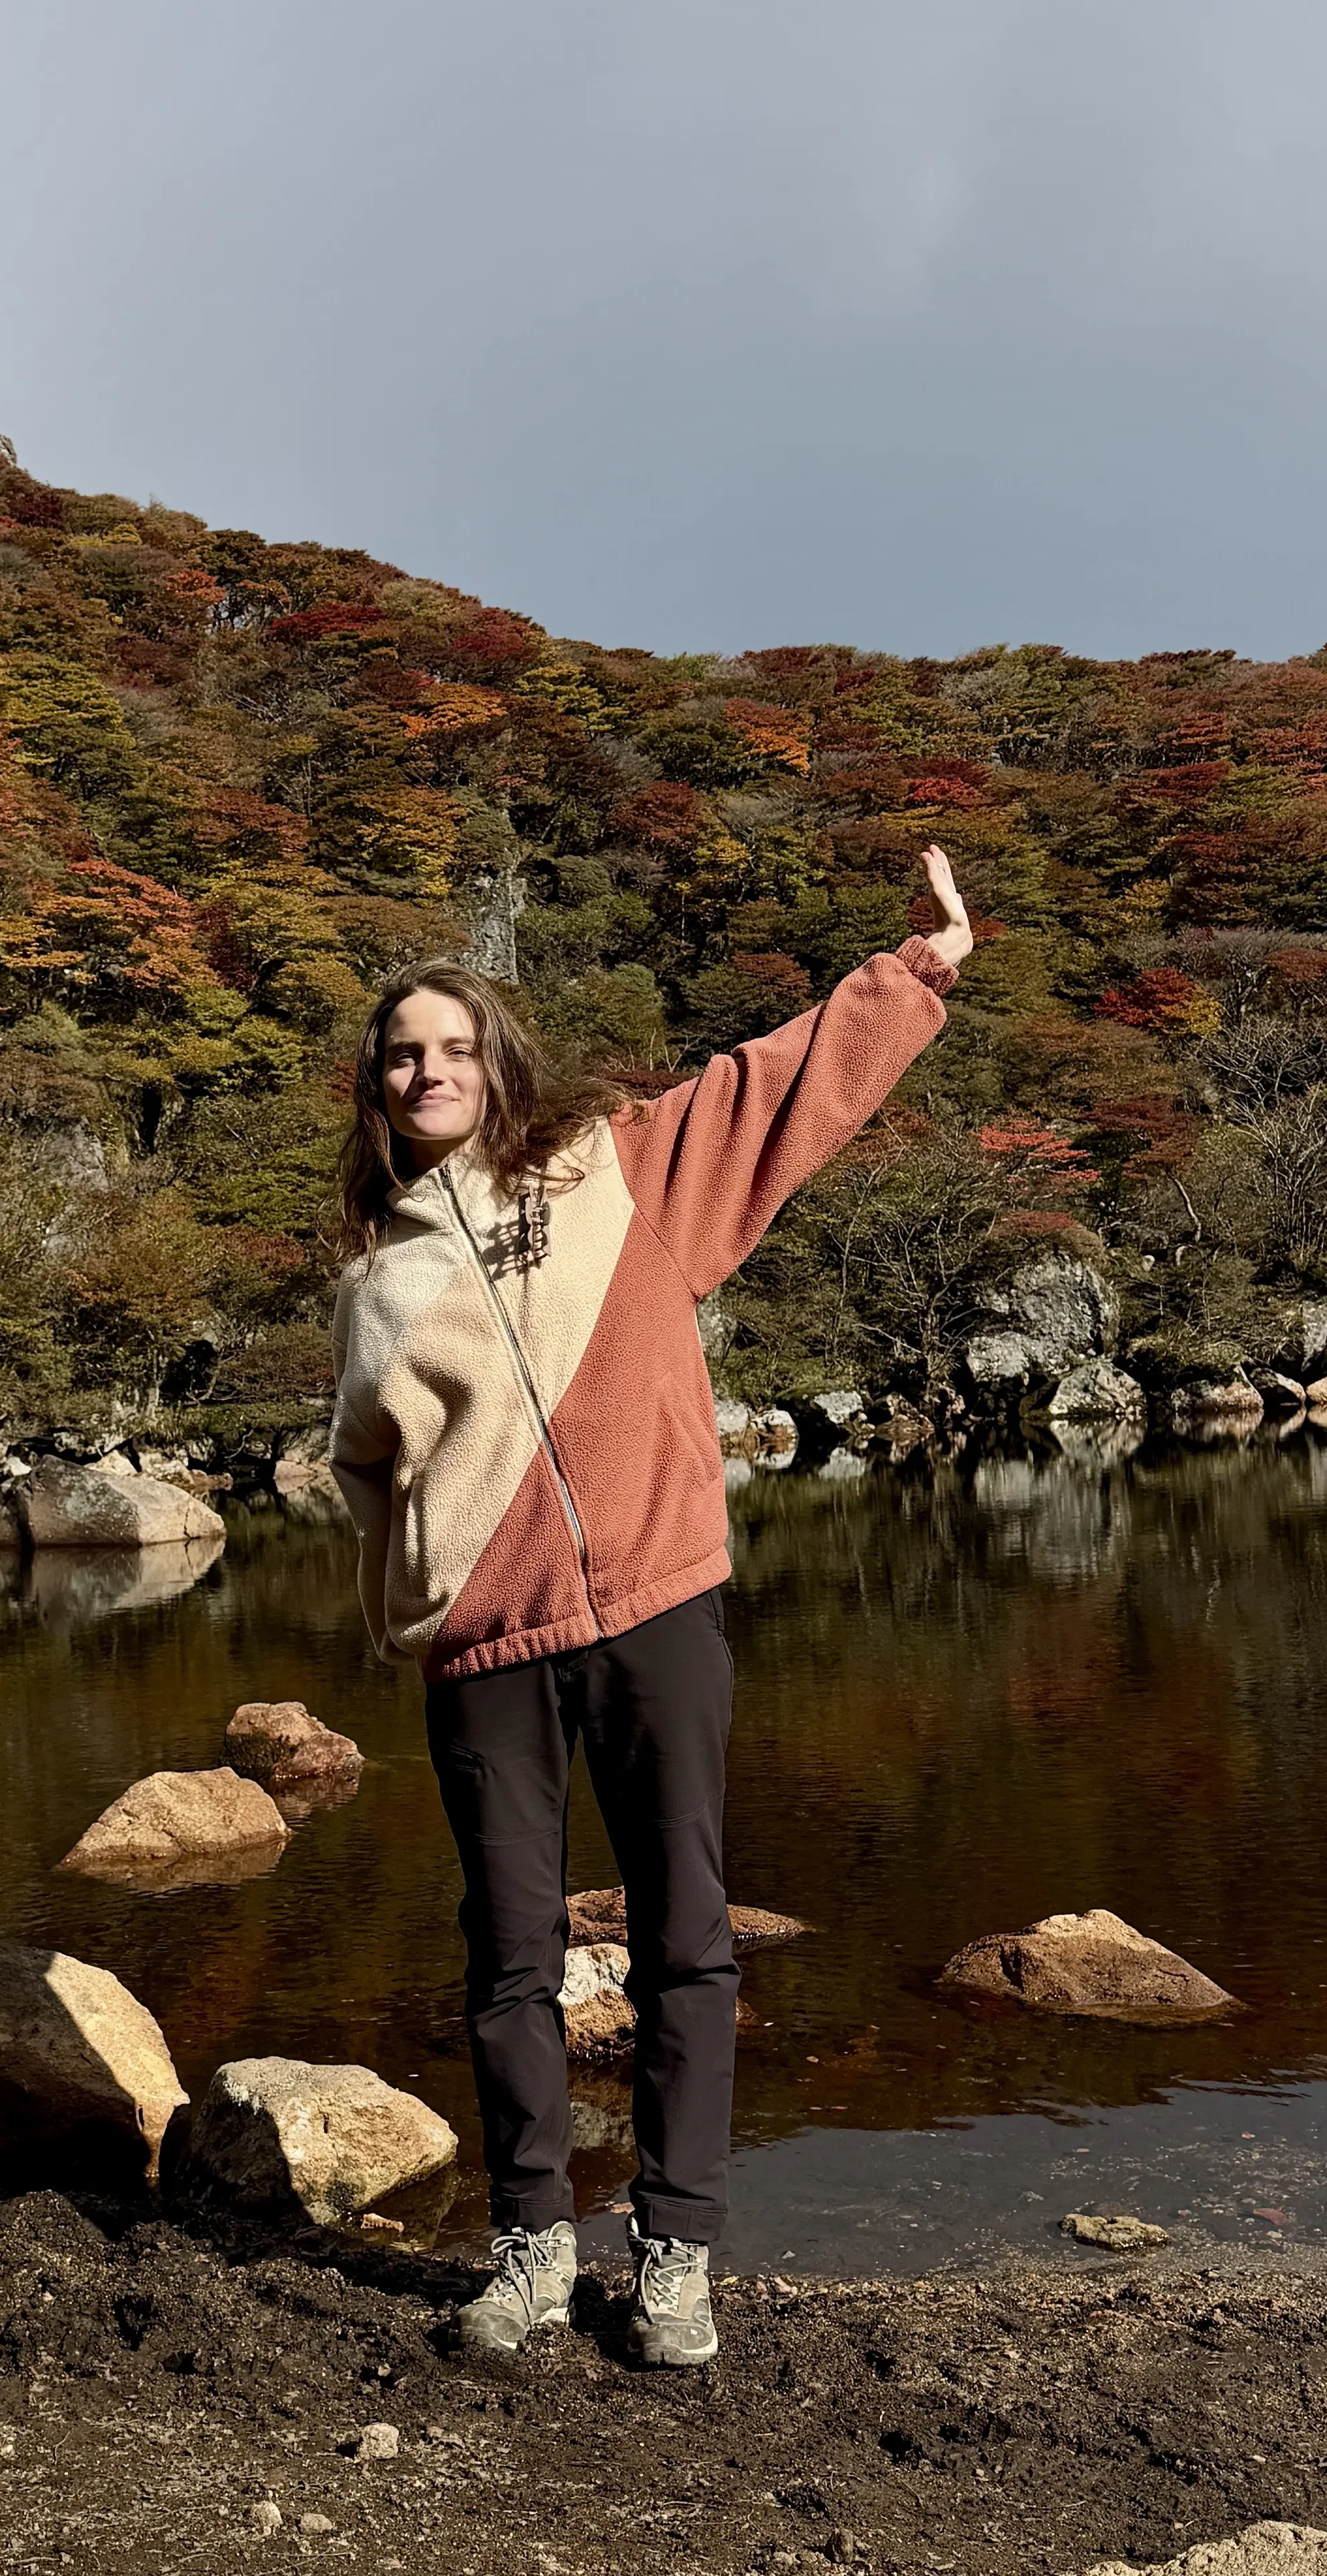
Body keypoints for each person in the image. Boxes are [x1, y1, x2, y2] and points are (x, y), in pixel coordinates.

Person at [326, 849, 975, 2368]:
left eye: (455, 1046)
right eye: (404, 1055)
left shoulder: (617, 1174)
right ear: (381, 1087)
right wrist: (414, 1611)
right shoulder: (374, 1279)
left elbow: (774, 1090)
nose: (430, 1071)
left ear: (499, 1062)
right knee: (509, 1956)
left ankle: (675, 2252)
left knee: (688, 1937)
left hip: (654, 1610)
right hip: (484, 1649)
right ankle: (531, 2244)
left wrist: (916, 969)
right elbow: (366, 1468)